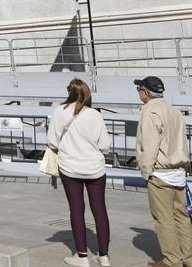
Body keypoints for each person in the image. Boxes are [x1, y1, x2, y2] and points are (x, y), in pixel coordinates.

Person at [48, 78, 111, 267]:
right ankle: (104, 255)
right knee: (99, 209)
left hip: (70, 167)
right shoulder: (95, 114)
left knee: (76, 209)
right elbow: (105, 146)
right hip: (95, 168)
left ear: (69, 92)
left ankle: (82, 256)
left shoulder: (60, 111)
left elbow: (52, 142)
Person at [135, 76, 192, 267]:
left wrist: (146, 171)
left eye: (139, 90)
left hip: (161, 172)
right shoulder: (174, 111)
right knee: (182, 217)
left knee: (164, 219)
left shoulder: (150, 111)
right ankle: (189, 259)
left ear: (145, 93)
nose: (138, 93)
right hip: (178, 170)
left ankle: (171, 261)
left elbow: (150, 145)